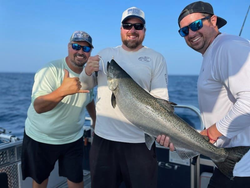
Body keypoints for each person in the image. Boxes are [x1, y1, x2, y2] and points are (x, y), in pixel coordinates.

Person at [157, 1, 250, 187]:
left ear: (213, 20)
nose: (191, 34)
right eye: (184, 31)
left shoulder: (229, 47)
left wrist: (212, 132)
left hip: (243, 168)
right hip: (228, 162)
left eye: (196, 25)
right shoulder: (212, 52)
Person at [80, 7, 169, 188]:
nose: (132, 30)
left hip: (140, 144)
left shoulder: (156, 58)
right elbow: (84, 86)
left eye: (138, 26)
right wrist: (86, 72)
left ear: (144, 30)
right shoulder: (105, 55)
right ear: (121, 28)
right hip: (104, 141)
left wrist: (164, 131)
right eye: (127, 25)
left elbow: (161, 100)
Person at [21, 31, 96, 188]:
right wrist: (62, 91)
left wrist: (95, 120)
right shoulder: (50, 70)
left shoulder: (90, 74)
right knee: (40, 181)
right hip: (41, 138)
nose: (81, 52)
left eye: (86, 49)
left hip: (72, 139)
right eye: (76, 46)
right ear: (69, 47)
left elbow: (89, 98)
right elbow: (38, 106)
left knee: (77, 181)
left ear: (90, 52)